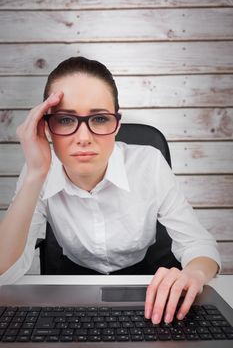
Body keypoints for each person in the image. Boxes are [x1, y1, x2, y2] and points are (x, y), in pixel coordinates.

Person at [0, 56, 221, 325]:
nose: (83, 137)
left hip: (145, 285)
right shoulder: (38, 172)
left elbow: (199, 244)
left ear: (116, 123)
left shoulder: (149, 163)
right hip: (73, 289)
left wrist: (194, 274)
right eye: (66, 120)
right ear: (46, 126)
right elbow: (4, 272)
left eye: (100, 118)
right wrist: (35, 174)